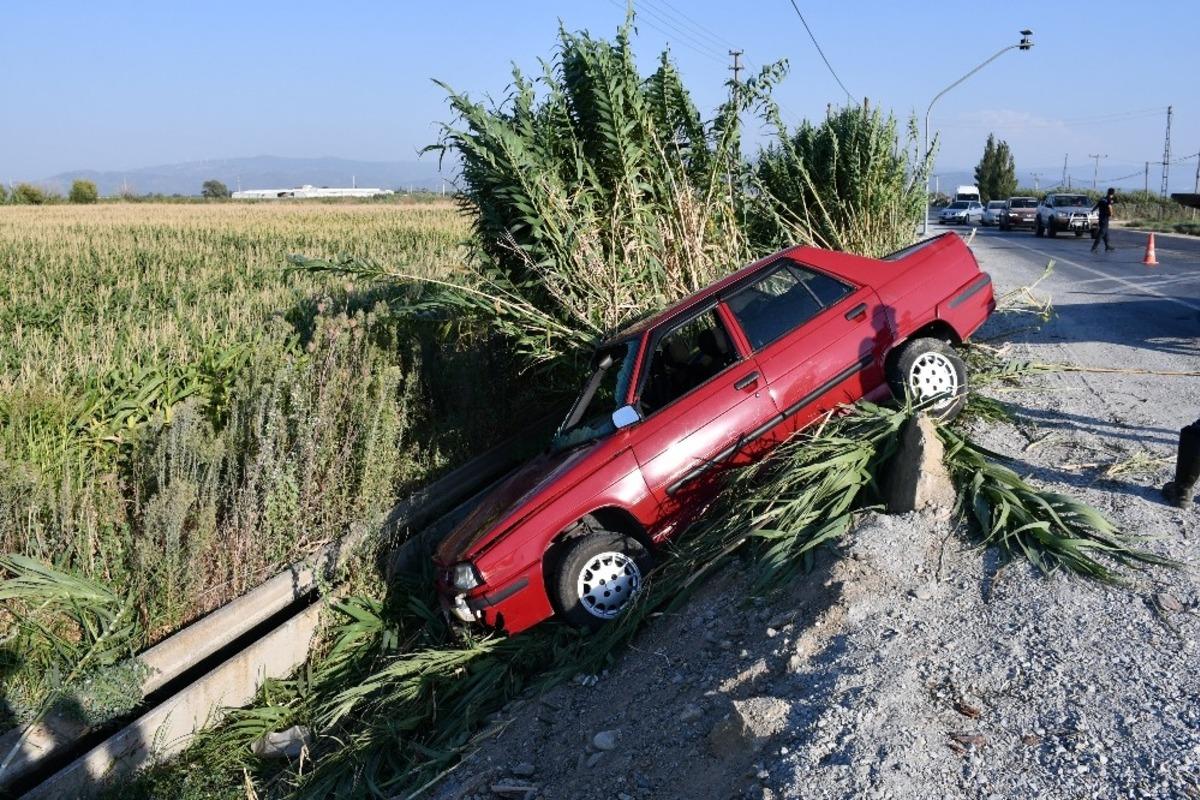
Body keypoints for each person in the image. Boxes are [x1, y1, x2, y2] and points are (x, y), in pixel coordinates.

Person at [1091, 187, 1116, 253]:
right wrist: (1111, 214)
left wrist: (1092, 210)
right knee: (1101, 233)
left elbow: (1096, 205)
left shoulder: (1102, 199)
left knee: (1106, 233)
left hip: (1101, 217)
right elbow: (1110, 207)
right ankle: (1094, 247)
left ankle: (1107, 246)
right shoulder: (1109, 199)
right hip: (1105, 218)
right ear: (1113, 193)